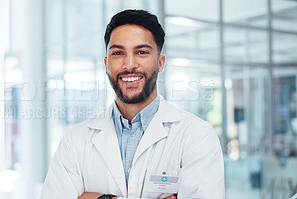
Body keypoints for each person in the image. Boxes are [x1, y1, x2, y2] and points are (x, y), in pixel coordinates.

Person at [40, 9, 225, 199]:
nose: (129, 64)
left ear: (160, 63)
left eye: (142, 52)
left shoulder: (196, 135)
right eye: (118, 53)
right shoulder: (76, 141)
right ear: (106, 64)